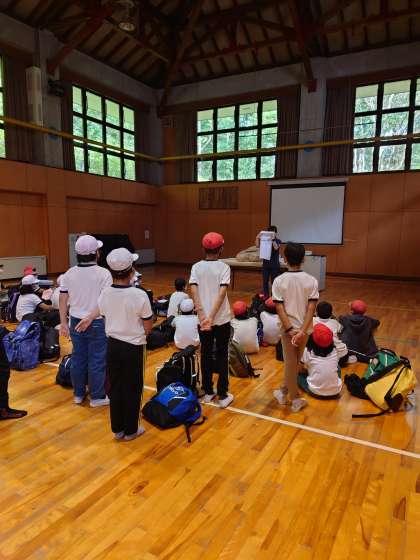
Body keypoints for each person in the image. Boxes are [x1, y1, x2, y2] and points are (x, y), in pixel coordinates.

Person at [98, 248, 153, 441]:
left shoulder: (104, 293)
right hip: (134, 347)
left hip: (112, 345)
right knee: (133, 388)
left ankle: (118, 429)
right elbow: (148, 325)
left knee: (115, 386)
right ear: (131, 271)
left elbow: (105, 317)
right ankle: (131, 430)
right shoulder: (139, 295)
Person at [59, 235, 112, 407]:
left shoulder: (69, 273)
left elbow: (62, 299)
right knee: (97, 360)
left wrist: (64, 323)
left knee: (78, 358)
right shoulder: (104, 273)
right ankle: (97, 397)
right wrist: (90, 318)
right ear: (96, 253)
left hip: (75, 321)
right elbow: (105, 301)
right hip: (96, 321)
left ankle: (78, 394)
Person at [272, 241, 319, 413]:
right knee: (293, 363)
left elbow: (279, 308)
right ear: (303, 259)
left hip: (288, 331)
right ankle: (288, 394)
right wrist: (301, 331)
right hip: (304, 331)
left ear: (284, 258)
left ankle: (292, 397)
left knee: (291, 364)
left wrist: (290, 330)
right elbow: (311, 309)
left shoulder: (279, 281)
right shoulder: (312, 281)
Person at [189, 232, 233, 408]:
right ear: (221, 249)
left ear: (203, 249)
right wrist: (211, 317)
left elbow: (193, 290)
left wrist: (202, 316)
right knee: (222, 354)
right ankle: (222, 394)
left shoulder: (196, 267)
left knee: (205, 353)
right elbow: (221, 294)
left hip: (202, 321)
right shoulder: (224, 267)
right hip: (221, 319)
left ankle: (208, 392)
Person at [298, 324, 343, 399]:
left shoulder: (307, 352)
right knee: (337, 367)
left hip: (315, 391)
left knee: (296, 375)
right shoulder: (335, 351)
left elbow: (299, 368)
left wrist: (306, 371)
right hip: (335, 391)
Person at [313, 301, 355, 367]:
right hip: (343, 354)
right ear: (331, 313)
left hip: (326, 355)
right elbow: (341, 329)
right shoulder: (334, 322)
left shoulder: (313, 320)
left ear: (316, 312)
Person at [255, 225, 282, 298]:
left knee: (274, 282)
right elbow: (257, 246)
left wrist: (273, 240)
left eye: (273, 232)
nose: (272, 234)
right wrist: (257, 238)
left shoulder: (278, 240)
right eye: (270, 232)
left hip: (274, 265)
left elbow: (276, 248)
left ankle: (274, 296)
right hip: (266, 265)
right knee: (265, 281)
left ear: (276, 233)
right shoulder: (265, 240)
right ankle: (266, 296)